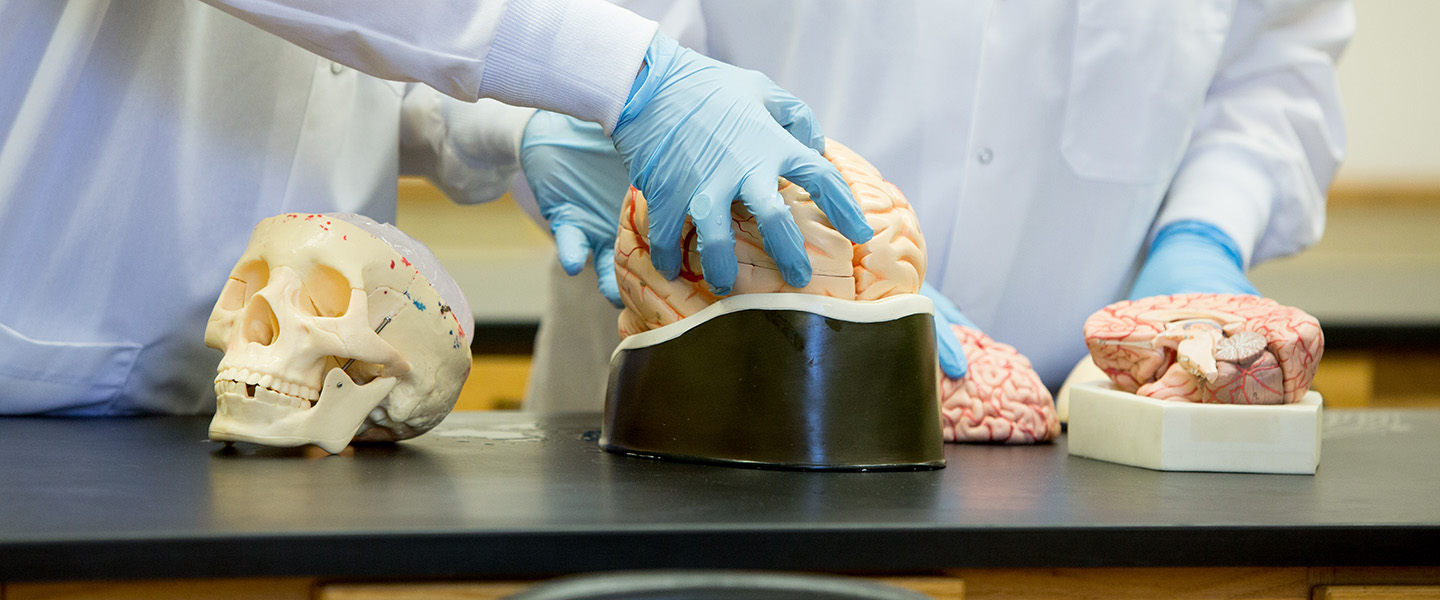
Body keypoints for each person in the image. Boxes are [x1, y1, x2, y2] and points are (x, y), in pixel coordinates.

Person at [0, 0, 870, 415]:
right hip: (53, 418)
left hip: (313, 416)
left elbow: (315, 61)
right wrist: (625, 71)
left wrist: (503, 129)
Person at [513, 0, 1353, 413]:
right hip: (700, 407)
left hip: (1092, 436)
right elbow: (542, 28)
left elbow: (1273, 67)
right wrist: (599, 126)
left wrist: (1206, 230)